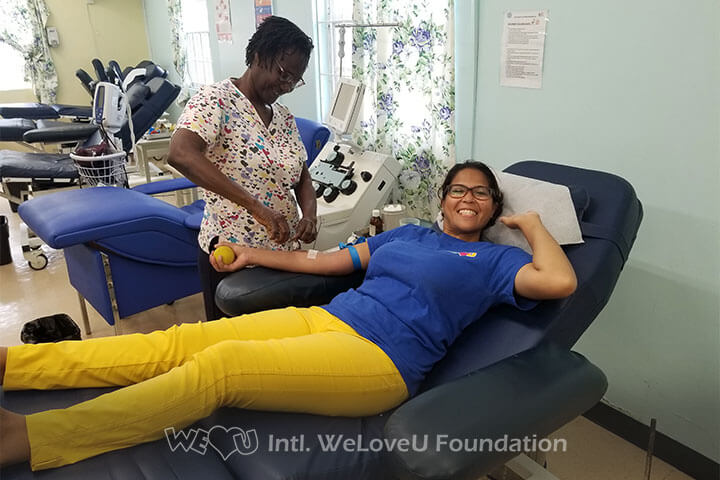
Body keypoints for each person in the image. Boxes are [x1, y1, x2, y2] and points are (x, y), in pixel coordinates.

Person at [0, 161, 577, 470]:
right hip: (331, 319)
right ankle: (16, 366)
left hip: (381, 361)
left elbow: (559, 280)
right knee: (184, 340)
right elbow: (323, 262)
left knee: (220, 368)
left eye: (482, 193)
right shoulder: (407, 238)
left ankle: (35, 436)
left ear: (494, 207)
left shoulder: (497, 259)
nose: (468, 198)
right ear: (443, 199)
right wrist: (253, 254)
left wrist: (531, 225)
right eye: (458, 189)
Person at [168, 16, 318, 321]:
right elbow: (180, 153)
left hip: (281, 260)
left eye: (295, 80)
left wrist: (310, 215)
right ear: (259, 56)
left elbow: (301, 177)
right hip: (231, 257)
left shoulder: (284, 118)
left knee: (277, 350)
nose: (287, 86)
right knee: (236, 354)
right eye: (283, 74)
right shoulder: (215, 101)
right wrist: (256, 208)